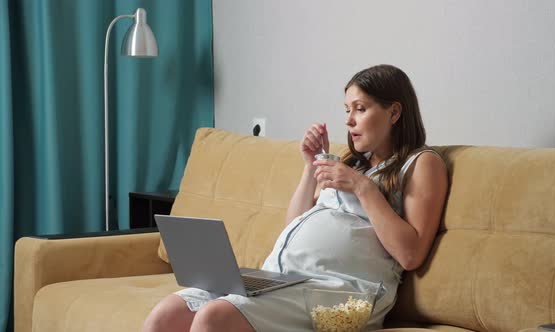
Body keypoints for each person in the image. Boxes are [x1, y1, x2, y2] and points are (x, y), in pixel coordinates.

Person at [142, 64, 448, 332]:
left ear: (394, 112)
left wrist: (362, 188)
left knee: (214, 318)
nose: (349, 120)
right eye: (347, 110)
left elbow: (411, 254)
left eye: (360, 108)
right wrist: (309, 163)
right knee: (165, 316)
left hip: (343, 292)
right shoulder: (351, 163)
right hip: (284, 279)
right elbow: (294, 223)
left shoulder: (421, 163)